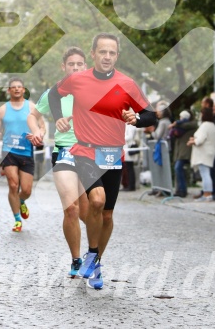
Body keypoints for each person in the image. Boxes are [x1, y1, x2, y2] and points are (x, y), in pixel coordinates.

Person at [47, 33, 157, 289]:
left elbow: (152, 116)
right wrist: (58, 118)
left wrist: (137, 120)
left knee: (107, 215)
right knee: (96, 199)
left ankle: (94, 260)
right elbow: (54, 95)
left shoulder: (127, 84)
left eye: (112, 53)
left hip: (113, 154)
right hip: (84, 151)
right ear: (93, 53)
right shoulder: (76, 80)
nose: (107, 56)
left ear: (117, 56)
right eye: (102, 52)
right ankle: (92, 255)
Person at [26, 46, 89, 277]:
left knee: (88, 212)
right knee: (71, 208)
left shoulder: (95, 90)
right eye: (71, 64)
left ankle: (93, 256)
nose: (75, 68)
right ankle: (75, 259)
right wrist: (37, 132)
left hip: (91, 153)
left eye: (79, 64)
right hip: (65, 150)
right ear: (64, 67)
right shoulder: (54, 92)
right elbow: (33, 115)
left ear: (85, 66)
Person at [0, 77, 44, 233]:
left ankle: (21, 200)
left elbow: (42, 126)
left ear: (23, 90)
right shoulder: (1, 110)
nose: (16, 89)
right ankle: (17, 219)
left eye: (19, 87)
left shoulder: (32, 107)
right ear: (9, 90)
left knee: (27, 189)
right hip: (9, 151)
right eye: (13, 87)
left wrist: (39, 135)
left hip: (26, 151)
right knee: (13, 184)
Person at [188, 107, 215, 202]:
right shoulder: (212, 125)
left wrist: (192, 141)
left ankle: (207, 194)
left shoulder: (205, 125)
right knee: (206, 173)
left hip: (203, 153)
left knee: (205, 174)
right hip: (210, 152)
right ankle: (208, 194)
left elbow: (200, 140)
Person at [168, 110, 198, 198]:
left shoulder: (190, 125)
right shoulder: (180, 127)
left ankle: (182, 190)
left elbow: (187, 125)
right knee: (178, 169)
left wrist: (176, 123)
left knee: (178, 168)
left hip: (184, 151)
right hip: (179, 151)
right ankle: (179, 190)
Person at [146, 103, 172, 196]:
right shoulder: (167, 121)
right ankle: (163, 189)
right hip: (165, 147)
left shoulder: (163, 122)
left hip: (162, 148)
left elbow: (157, 136)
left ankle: (163, 189)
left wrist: (152, 130)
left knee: (161, 169)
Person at [122, 123, 139, 191]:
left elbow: (130, 136)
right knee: (128, 168)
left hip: (129, 147)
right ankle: (129, 185)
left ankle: (131, 186)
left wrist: (121, 138)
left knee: (130, 168)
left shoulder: (131, 125)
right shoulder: (127, 124)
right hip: (126, 147)